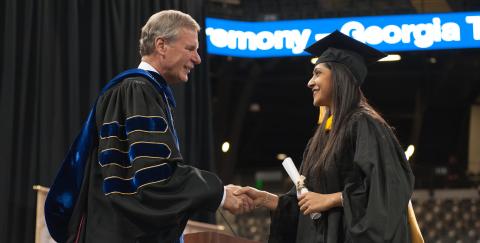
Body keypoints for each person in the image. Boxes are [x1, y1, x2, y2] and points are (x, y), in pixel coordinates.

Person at [45, 10, 252, 243]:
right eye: (190, 48)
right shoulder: (137, 90)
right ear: (161, 45)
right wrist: (220, 194)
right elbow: (154, 178)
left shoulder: (145, 92)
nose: (197, 59)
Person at [235, 30, 415, 243]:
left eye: (317, 73)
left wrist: (331, 200)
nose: (310, 82)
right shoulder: (322, 137)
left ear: (339, 76)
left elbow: (388, 190)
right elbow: (307, 203)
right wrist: (266, 199)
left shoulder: (365, 125)